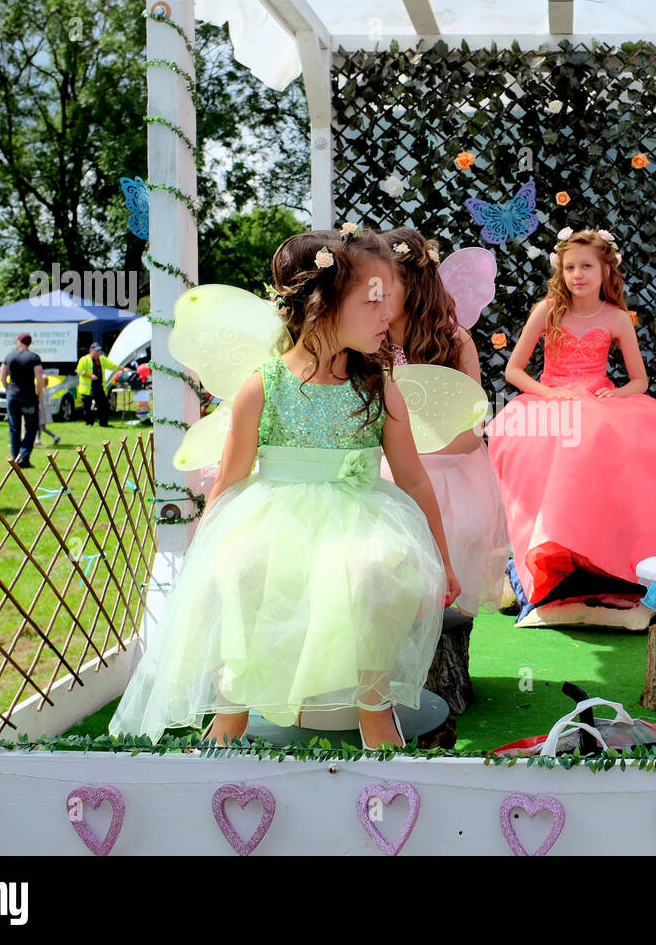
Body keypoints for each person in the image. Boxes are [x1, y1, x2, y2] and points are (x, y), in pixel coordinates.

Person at [109, 227, 459, 749]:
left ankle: (374, 704)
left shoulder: (377, 387)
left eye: (391, 301)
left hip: (361, 518)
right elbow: (228, 482)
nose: (389, 315)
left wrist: (443, 558)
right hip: (276, 518)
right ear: (324, 304)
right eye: (374, 301)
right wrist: (205, 558)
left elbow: (412, 478)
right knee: (246, 567)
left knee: (375, 568)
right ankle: (232, 709)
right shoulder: (264, 385)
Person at [487, 227, 656, 606]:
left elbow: (639, 380)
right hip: (549, 396)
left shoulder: (616, 318)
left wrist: (617, 394)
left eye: (586, 266)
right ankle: (547, 553)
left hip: (598, 399)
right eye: (569, 268)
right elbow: (514, 371)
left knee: (621, 442)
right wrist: (548, 393)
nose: (577, 275)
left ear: (606, 270)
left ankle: (613, 561)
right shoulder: (547, 311)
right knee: (551, 441)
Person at [380, 226, 510, 615]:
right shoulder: (371, 339)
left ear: (414, 284)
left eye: (385, 286)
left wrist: (426, 453)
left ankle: (442, 619)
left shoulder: (454, 339)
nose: (376, 296)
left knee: (458, 524)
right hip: (387, 456)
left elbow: (473, 428)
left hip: (448, 460)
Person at [0, 333, 44, 468]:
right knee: (31, 427)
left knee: (14, 428)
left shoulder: (9, 356)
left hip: (13, 396)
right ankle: (24, 456)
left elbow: (2, 376)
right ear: (29, 343)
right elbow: (40, 378)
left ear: (19, 342)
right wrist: (39, 395)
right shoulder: (34, 357)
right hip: (28, 396)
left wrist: (8, 390)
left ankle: (15, 458)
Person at [76, 343, 111, 427]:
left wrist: (122, 368)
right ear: (91, 350)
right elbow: (79, 371)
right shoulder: (84, 360)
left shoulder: (102, 359)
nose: (98, 352)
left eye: (99, 351)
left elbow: (112, 366)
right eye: (96, 351)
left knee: (103, 405)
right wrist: (90, 376)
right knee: (87, 407)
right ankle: (89, 423)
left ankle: (103, 423)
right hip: (87, 387)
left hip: (99, 386)